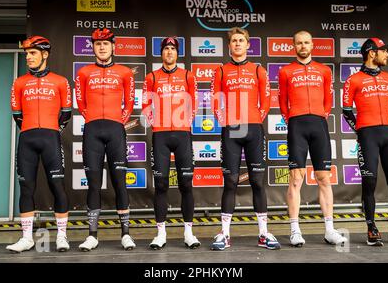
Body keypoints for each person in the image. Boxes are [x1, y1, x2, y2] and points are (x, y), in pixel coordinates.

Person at [210, 27, 280, 251]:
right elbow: (215, 102)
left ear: (248, 45)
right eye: (234, 41)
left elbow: (266, 101)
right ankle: (225, 234)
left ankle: (263, 233)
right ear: (229, 45)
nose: (238, 44)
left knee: (257, 181)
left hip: (254, 130)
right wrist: (227, 121)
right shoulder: (221, 71)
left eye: (241, 40)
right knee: (230, 181)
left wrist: (253, 121)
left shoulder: (258, 69)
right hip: (231, 129)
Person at [343, 37, 388, 246]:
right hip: (368, 135)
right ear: (371, 53)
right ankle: (371, 228)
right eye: (384, 50)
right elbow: (346, 110)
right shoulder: (354, 80)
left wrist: (381, 122)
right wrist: (361, 129)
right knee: (370, 183)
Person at [278, 30, 347, 247]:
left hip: (319, 124)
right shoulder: (286, 71)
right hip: (297, 124)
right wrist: (291, 118)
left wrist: (322, 115)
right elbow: (282, 100)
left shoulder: (324, 70)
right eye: (298, 43)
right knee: (296, 178)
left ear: (312, 45)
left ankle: (329, 230)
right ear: (294, 46)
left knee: (324, 178)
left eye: (306, 42)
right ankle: (295, 230)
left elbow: (328, 98)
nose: (303, 46)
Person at [8, 35, 72, 253]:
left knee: (57, 186)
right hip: (27, 139)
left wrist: (51, 130)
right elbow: (17, 114)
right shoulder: (19, 82)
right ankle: (27, 238)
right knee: (26, 188)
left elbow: (67, 113)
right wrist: (30, 128)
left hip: (50, 138)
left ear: (45, 54)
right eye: (26, 54)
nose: (28, 57)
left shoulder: (60, 81)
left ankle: (62, 237)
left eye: (33, 53)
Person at [75, 28, 136, 251]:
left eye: (106, 43)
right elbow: (80, 102)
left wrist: (119, 119)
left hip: (115, 130)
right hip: (92, 130)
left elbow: (129, 102)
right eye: (97, 44)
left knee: (120, 182)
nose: (101, 47)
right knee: (93, 184)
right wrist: (91, 118)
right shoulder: (83, 72)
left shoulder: (125, 72)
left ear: (113, 46)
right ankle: (92, 235)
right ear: (93, 47)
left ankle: (126, 234)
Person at [142, 36, 200, 250]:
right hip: (161, 136)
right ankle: (161, 234)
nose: (169, 52)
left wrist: (185, 121)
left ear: (177, 53)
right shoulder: (151, 77)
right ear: (161, 53)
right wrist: (156, 123)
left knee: (186, 184)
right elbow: (146, 104)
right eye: (166, 49)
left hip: (183, 134)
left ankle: (188, 233)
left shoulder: (188, 76)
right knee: (161, 185)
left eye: (172, 49)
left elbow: (193, 102)